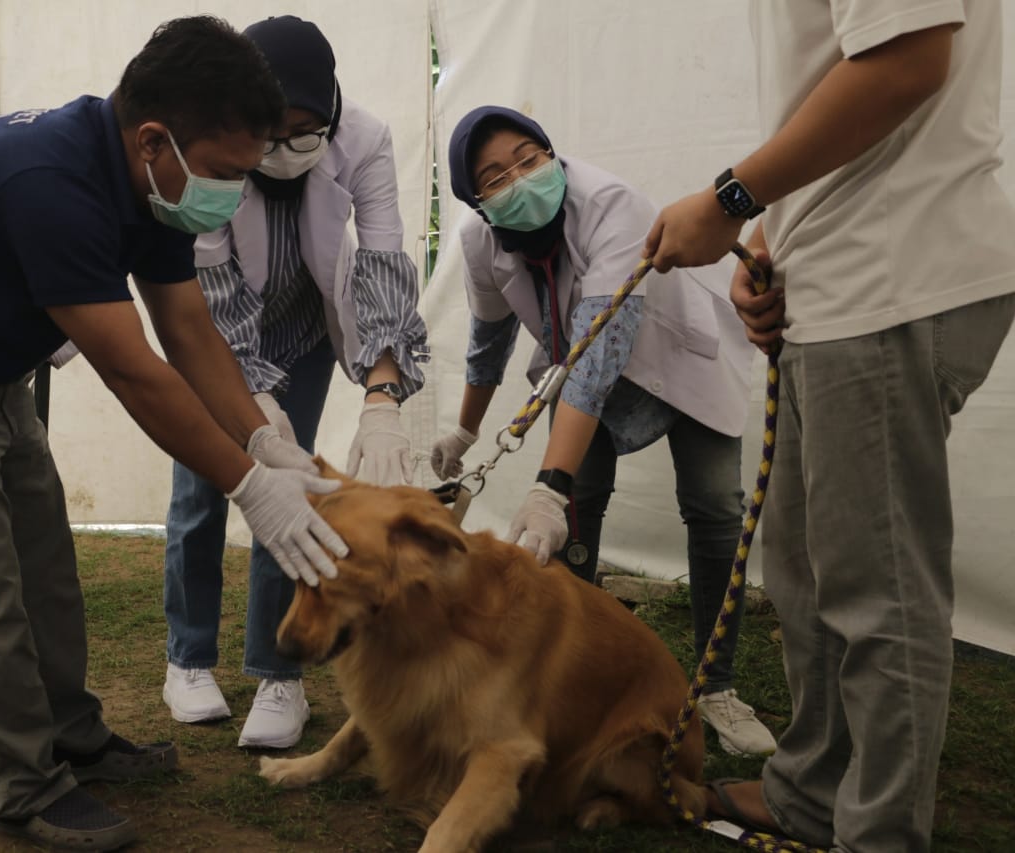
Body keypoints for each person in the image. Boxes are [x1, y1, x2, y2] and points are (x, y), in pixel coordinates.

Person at [0, 16, 350, 852]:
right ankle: (22, 786)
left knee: (44, 573)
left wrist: (263, 435)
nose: (238, 193)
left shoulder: (148, 177)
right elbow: (133, 369)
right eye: (230, 172)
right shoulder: (48, 179)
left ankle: (71, 737)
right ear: (156, 139)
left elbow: (189, 328)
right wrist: (249, 488)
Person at [644, 3, 1015, 851]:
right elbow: (843, 82)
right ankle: (813, 791)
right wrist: (776, 234)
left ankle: (878, 833)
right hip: (841, 277)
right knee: (808, 570)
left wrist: (732, 199)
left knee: (875, 589)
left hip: (891, 274)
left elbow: (907, 63)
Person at [430, 106, 776, 757]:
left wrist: (546, 481)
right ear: (476, 201)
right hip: (579, 368)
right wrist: (465, 430)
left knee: (712, 507)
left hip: (679, 357)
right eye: (496, 175)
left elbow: (600, 349)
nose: (521, 178)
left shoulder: (611, 204)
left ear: (552, 154)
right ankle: (572, 680)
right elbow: (490, 339)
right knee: (575, 512)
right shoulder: (480, 242)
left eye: (530, 159)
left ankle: (716, 685)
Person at [160, 14, 429, 750]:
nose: (282, 148)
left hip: (306, 329)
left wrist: (381, 397)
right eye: (269, 132)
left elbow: (382, 260)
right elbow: (210, 282)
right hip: (220, 335)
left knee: (294, 489)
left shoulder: (365, 140)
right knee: (202, 487)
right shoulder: (216, 142)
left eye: (304, 131)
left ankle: (280, 674)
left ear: (333, 114)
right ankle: (186, 657)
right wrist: (252, 404)